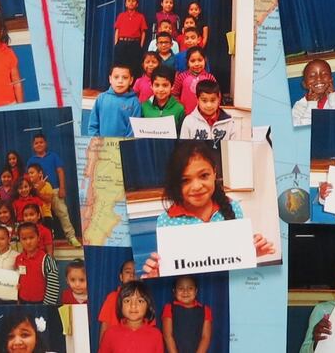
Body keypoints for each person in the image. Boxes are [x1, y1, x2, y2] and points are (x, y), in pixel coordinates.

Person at [139, 141, 275, 276]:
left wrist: (251, 253)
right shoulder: (166, 221)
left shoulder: (233, 208)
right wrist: (157, 274)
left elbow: (236, 264)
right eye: (185, 180)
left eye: (204, 175)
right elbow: (173, 271)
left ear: (214, 172)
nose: (197, 186)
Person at [99, 280, 162, 353]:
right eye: (127, 301)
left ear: (148, 305)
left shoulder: (156, 335)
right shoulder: (110, 334)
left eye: (140, 301)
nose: (133, 305)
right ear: (120, 305)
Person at [291, 58, 335, 126]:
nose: (319, 78)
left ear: (331, 80)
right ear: (304, 84)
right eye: (312, 76)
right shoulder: (299, 107)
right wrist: (311, 105)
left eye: (324, 74)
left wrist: (333, 97)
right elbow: (303, 131)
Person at [88, 63, 141, 137]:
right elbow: (93, 125)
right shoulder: (101, 98)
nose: (120, 81)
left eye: (125, 77)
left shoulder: (134, 102)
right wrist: (97, 143)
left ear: (131, 80)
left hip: (123, 147)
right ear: (110, 79)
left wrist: (125, 146)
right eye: (116, 77)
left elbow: (133, 130)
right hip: (102, 147)